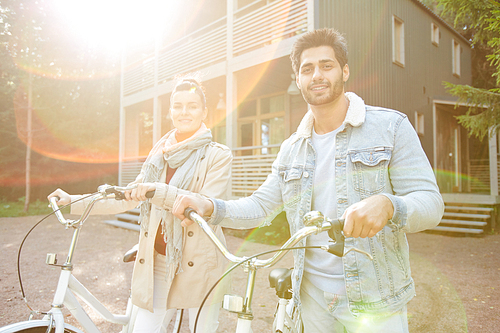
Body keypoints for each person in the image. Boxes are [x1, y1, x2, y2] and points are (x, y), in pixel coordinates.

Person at [171, 29, 444, 333]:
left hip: (375, 300)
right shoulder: (292, 148)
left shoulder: (390, 127)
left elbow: (431, 204)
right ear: (298, 79)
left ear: (345, 70)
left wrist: (389, 205)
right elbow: (261, 206)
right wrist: (207, 204)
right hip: (312, 301)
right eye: (307, 69)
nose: (317, 75)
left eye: (326, 65)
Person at [48, 77, 232, 333]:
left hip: (200, 263)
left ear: (204, 111)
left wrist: (155, 191)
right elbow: (128, 195)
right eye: (177, 106)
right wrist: (74, 200)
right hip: (158, 261)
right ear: (170, 112)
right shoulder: (158, 156)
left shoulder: (218, 155)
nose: (184, 112)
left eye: (192, 106)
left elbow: (206, 205)